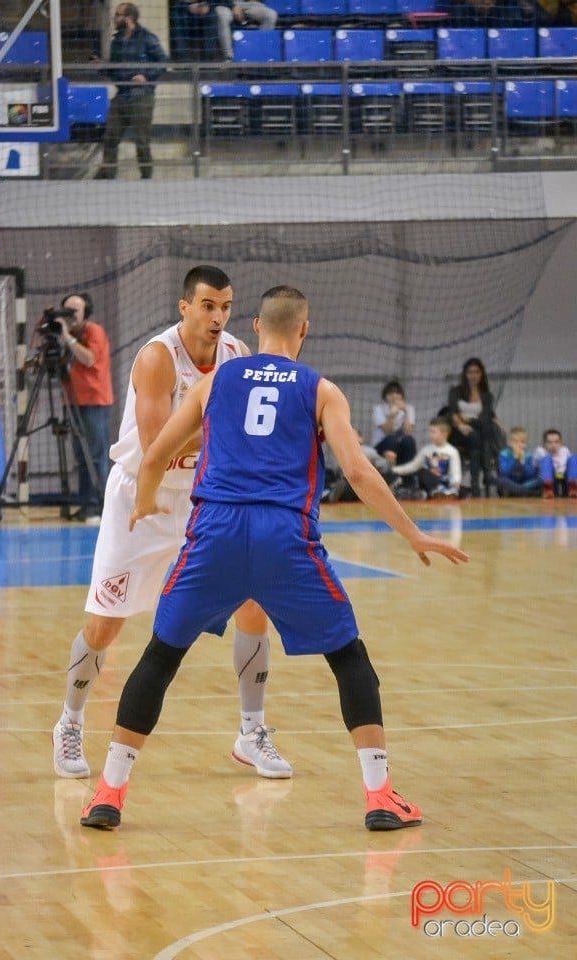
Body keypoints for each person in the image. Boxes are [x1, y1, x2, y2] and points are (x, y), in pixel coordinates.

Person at [79, 285, 469, 833]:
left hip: (215, 532)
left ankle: (109, 793)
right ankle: (380, 796)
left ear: (256, 327)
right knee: (349, 660)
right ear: (303, 331)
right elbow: (357, 472)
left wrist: (144, 503)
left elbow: (158, 450)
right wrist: (414, 534)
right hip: (287, 538)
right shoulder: (321, 390)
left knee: (161, 657)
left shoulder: (217, 380)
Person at [53, 266, 291, 781]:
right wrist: (224, 427)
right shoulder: (158, 358)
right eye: (208, 306)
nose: (218, 317)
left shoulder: (236, 357)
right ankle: (70, 721)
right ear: (185, 307)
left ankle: (252, 732)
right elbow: (160, 443)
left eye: (225, 307)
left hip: (203, 501)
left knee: (254, 605)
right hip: (144, 498)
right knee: (105, 624)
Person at [56, 293, 113, 523]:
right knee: (80, 457)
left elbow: (88, 359)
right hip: (73, 401)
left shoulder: (93, 331)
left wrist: (66, 337)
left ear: (85, 313)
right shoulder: (69, 334)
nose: (70, 316)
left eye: (75, 312)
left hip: (94, 400)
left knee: (96, 456)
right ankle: (85, 503)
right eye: (66, 311)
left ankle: (100, 505)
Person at [94, 3, 167, 180]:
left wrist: (146, 76)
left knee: (142, 141)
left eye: (118, 15)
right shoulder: (117, 41)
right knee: (111, 136)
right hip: (122, 94)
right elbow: (115, 69)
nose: (115, 19)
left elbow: (163, 61)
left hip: (141, 95)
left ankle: (146, 175)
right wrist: (102, 66)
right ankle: (108, 174)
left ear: (129, 18)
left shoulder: (147, 37)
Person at [447, 357, 502, 498]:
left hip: (478, 431)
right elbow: (453, 412)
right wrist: (461, 424)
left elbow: (485, 417)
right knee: (482, 435)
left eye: (477, 372)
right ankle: (484, 476)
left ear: (481, 374)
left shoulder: (487, 395)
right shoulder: (456, 392)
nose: (473, 375)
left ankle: (476, 483)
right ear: (465, 374)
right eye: (470, 372)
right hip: (459, 432)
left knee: (482, 434)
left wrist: (468, 418)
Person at [390, 416, 462, 500]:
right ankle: (432, 492)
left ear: (444, 434)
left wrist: (456, 482)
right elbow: (413, 466)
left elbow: (455, 470)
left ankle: (444, 491)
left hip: (444, 481)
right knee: (422, 472)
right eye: (430, 431)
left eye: (433, 432)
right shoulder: (426, 450)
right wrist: (394, 470)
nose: (430, 434)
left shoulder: (452, 451)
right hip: (430, 482)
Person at [496, 427, 542, 497]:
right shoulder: (504, 454)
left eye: (522, 442)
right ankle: (523, 491)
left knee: (540, 480)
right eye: (516, 442)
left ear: (526, 444)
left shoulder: (528, 455)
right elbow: (504, 472)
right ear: (510, 443)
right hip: (510, 481)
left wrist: (523, 462)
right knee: (501, 480)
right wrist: (514, 458)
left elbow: (531, 474)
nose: (519, 445)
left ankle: (519, 490)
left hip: (524, 483)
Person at [533, 428, 577, 499]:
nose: (553, 445)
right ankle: (547, 488)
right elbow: (535, 466)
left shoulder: (565, 450)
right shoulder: (540, 451)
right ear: (544, 444)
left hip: (563, 476)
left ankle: (573, 486)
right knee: (546, 459)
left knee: (574, 458)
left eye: (556, 442)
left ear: (561, 443)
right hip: (548, 476)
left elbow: (572, 465)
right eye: (549, 442)